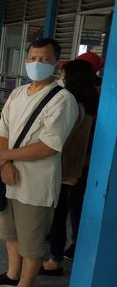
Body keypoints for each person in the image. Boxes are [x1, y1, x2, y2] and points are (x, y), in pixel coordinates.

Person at [0, 38, 78, 287]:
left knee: (32, 243)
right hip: (10, 178)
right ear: (25, 61)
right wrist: (6, 164)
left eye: (45, 59)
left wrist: (3, 158)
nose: (38, 63)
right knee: (10, 232)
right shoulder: (16, 93)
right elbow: (3, 131)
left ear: (56, 64)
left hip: (36, 183)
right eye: (33, 58)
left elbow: (49, 146)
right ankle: (12, 275)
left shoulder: (62, 99)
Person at [40, 59, 98, 275]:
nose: (61, 78)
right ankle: (74, 247)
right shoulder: (93, 103)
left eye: (63, 74)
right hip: (82, 168)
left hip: (65, 168)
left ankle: (54, 260)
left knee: (58, 213)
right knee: (74, 210)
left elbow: (60, 139)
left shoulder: (71, 104)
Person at [62, 52, 103, 261]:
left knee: (74, 203)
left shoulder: (84, 98)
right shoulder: (94, 94)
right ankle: (70, 240)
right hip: (86, 160)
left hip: (83, 161)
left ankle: (76, 243)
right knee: (74, 202)